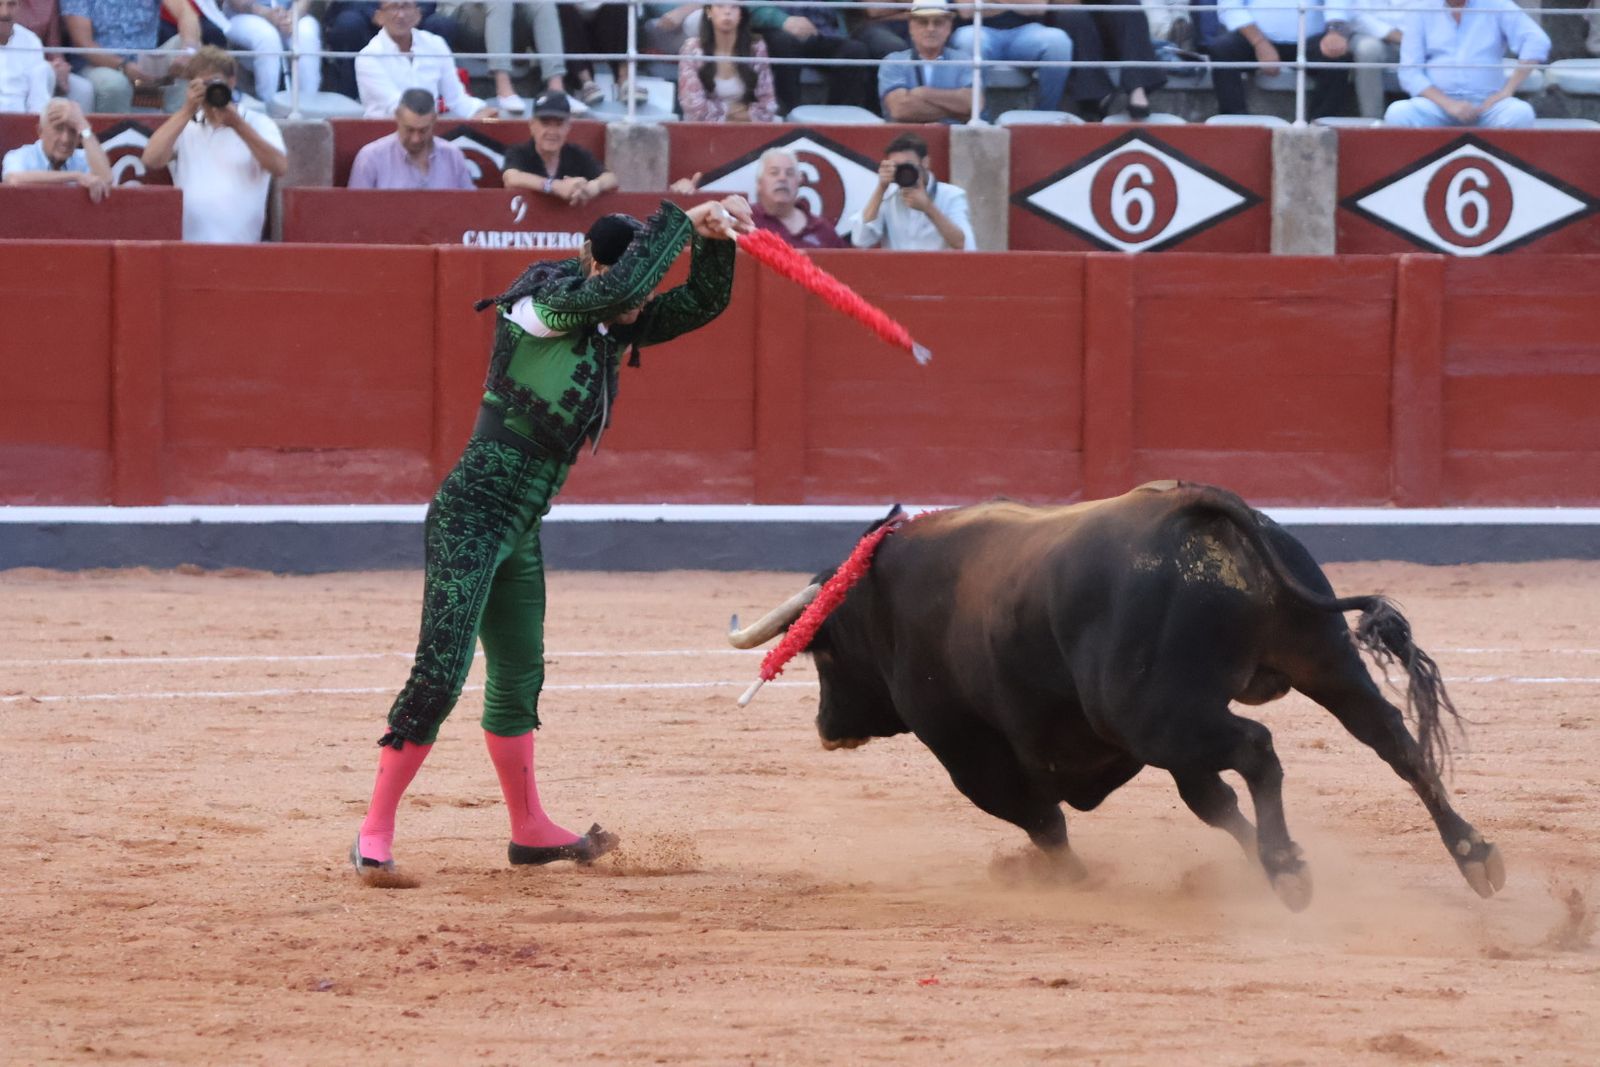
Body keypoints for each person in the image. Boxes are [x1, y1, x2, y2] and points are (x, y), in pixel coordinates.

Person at [349, 194, 755, 883]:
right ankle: (373, 830)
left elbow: (701, 304)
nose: (639, 300)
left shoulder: (609, 326)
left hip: (519, 528)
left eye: (643, 285)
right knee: (441, 675)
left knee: (518, 677)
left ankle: (530, 829)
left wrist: (716, 240)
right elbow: (625, 287)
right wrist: (685, 217)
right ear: (594, 265)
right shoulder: (541, 307)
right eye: (627, 281)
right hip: (470, 517)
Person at [140, 45, 287, 242]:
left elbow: (279, 167)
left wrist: (238, 125)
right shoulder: (186, 124)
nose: (211, 89)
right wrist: (186, 110)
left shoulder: (258, 122)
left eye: (216, 82)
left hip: (241, 249)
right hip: (188, 247)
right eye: (203, 83)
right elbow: (151, 159)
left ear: (232, 82)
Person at [1383, 0, 1548, 128]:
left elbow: (1537, 41)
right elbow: (1409, 73)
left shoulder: (1496, 4)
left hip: (1488, 105)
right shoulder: (1421, 9)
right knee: (1398, 114)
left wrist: (1507, 90)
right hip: (1436, 106)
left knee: (1520, 114)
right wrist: (1449, 105)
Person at [672, 146, 845, 248]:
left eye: (790, 173)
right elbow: (684, 242)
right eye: (774, 173)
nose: (782, 178)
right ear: (759, 183)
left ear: (800, 182)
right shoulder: (742, 219)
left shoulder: (822, 229)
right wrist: (683, 194)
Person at [1208, 0, 1353, 120]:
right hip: (1255, 38)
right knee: (1222, 49)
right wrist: (1259, 43)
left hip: (1311, 40)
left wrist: (1335, 32)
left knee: (1340, 56)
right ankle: (1236, 121)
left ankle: (1320, 125)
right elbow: (1230, 7)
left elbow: (1338, 5)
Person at [356, 0, 494, 119]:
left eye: (406, 6)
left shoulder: (435, 44)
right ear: (379, 17)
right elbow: (395, 106)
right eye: (393, 7)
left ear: (417, 14)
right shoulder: (369, 56)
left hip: (428, 130)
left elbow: (456, 98)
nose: (401, 15)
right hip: (384, 133)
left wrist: (480, 111)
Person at [61, 0, 201, 113]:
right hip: (96, 64)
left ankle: (178, 128)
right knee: (115, 84)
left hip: (145, 60)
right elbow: (83, 43)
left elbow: (186, 13)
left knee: (191, 47)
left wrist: (187, 51)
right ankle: (115, 142)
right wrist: (124, 66)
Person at [848, 131, 974, 251]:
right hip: (896, 270)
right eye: (897, 167)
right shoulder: (886, 196)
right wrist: (881, 188)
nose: (904, 171)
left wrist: (928, 208)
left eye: (908, 165)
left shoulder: (951, 195)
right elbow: (860, 240)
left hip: (937, 269)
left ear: (925, 162)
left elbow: (964, 245)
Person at [1048, 0, 1166, 120]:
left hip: (1105, 22)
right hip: (1068, 20)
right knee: (1075, 15)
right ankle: (1094, 97)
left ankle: (1137, 88)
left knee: (1129, 6)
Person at [950, 0, 1073, 113]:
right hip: (978, 30)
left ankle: (1045, 115)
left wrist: (987, 3)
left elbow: (1038, 6)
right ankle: (978, 118)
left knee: (1058, 42)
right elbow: (966, 10)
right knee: (967, 40)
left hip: (1027, 33)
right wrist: (1016, 4)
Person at [324, 1, 457, 101]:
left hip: (407, 16)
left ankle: (433, 99)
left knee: (441, 24)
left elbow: (427, 3)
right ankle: (349, 96)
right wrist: (377, 14)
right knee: (348, 23)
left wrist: (409, 13)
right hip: (365, 17)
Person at [501, 90, 616, 205]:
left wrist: (593, 187)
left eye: (559, 124)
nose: (552, 132)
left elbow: (611, 178)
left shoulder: (577, 154)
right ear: (532, 125)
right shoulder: (519, 152)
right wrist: (555, 186)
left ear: (568, 127)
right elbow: (511, 178)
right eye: (545, 124)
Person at [450, 0, 566, 114]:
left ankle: (556, 89)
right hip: (466, 15)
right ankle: (503, 87)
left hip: (513, 13)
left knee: (544, 3)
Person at [759, 2, 875, 114]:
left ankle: (839, 122)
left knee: (854, 51)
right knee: (783, 43)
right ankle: (789, 117)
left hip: (822, 32)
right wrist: (782, 20)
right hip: (778, 28)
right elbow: (750, 6)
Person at [348, 86, 474, 189]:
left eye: (423, 131)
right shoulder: (371, 158)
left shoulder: (453, 156)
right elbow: (356, 213)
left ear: (434, 120)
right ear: (397, 117)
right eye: (409, 130)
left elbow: (469, 207)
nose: (416, 139)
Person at [877, 0, 975, 124]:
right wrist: (955, 111)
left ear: (949, 26)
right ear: (911, 27)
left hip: (952, 139)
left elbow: (972, 104)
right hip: (906, 139)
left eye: (938, 22)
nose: (930, 29)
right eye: (923, 22)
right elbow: (900, 109)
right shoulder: (893, 61)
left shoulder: (964, 60)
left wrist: (923, 93)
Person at [677, 2, 777, 123]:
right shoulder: (691, 49)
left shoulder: (756, 48)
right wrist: (730, 112)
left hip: (747, 127)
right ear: (709, 11)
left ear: (741, 14)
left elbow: (768, 104)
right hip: (704, 130)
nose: (727, 12)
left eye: (734, 7)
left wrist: (725, 114)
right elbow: (694, 107)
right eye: (720, 5)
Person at [2, 98, 111, 200]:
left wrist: (84, 127)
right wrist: (75, 176)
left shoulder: (83, 158)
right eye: (58, 129)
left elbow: (106, 180)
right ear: (40, 132)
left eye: (73, 130)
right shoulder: (21, 156)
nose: (65, 139)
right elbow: (13, 179)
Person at [221, 0, 320, 100]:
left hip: (290, 12)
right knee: (267, 37)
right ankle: (267, 103)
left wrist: (293, 16)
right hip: (244, 14)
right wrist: (267, 14)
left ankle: (307, 103)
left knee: (306, 35)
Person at [559, 0, 639, 105]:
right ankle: (586, 83)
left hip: (608, 26)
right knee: (564, 7)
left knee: (621, 4)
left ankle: (625, 81)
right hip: (574, 27)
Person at [1348, 0, 1417, 119]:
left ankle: (1426, 119)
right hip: (1371, 35)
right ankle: (1372, 120)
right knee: (1368, 49)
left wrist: (1414, 38)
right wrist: (1392, 34)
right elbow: (1356, 15)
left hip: (1416, 36)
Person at [0, 0, 53, 113]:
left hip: (20, 122)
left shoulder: (30, 41)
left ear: (19, 7)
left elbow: (38, 99)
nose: (4, 13)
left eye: (11, 4)